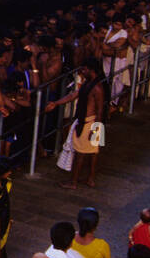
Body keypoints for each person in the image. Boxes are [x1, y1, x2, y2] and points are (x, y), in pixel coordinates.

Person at [45, 58, 107, 189]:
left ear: (91, 70)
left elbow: (100, 110)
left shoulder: (97, 88)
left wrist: (95, 130)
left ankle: (74, 182)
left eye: (84, 69)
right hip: (88, 122)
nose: (82, 72)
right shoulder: (88, 83)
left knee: (83, 153)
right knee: (92, 151)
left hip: (90, 123)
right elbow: (74, 95)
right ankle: (90, 179)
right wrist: (56, 103)